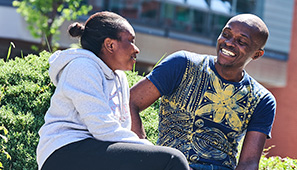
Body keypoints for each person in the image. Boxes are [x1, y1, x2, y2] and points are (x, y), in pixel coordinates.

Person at [36, 11, 190, 170]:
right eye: (130, 41)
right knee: (172, 159)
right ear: (110, 45)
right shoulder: (82, 67)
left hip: (96, 150)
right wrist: (148, 149)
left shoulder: (119, 78)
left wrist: (145, 152)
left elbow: (119, 133)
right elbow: (102, 128)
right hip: (63, 153)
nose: (136, 49)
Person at [130, 13, 276, 170]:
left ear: (257, 54)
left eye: (241, 41)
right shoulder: (182, 64)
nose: (228, 43)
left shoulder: (262, 99)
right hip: (170, 164)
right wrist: (144, 151)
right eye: (226, 34)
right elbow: (130, 102)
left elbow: (249, 164)